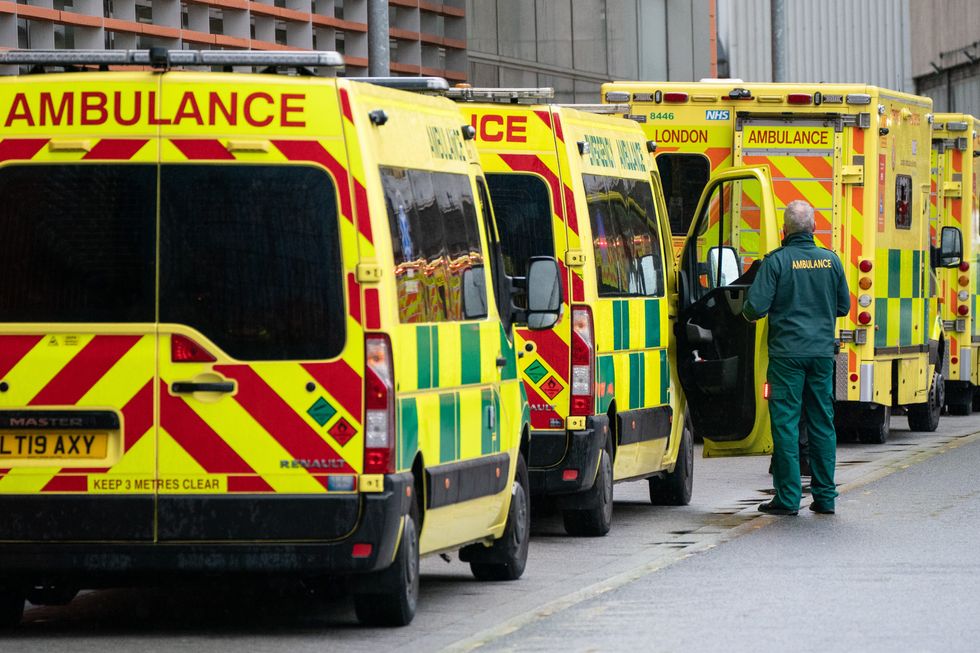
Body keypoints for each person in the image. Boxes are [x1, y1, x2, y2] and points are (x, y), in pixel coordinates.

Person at [742, 200, 850, 516]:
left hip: (787, 357)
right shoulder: (831, 261)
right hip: (821, 355)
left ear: (784, 231)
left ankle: (788, 500)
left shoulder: (776, 262)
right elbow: (843, 307)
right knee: (822, 424)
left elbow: (752, 309)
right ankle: (825, 498)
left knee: (786, 425)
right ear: (814, 229)